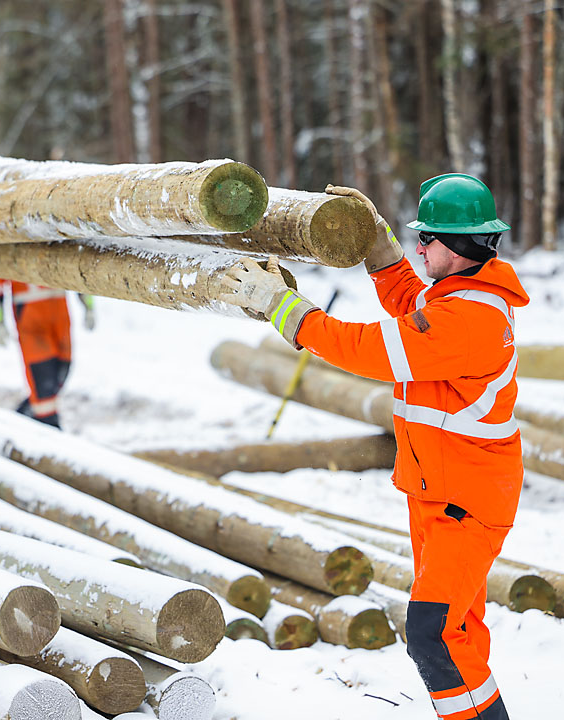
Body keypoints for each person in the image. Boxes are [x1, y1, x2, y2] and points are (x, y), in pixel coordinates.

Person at [218, 173, 528, 720]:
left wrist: (282, 308)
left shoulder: (471, 319)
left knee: (432, 634)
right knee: (457, 632)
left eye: (426, 239)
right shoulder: (460, 297)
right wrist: (380, 253)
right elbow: (415, 308)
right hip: (442, 493)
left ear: (456, 247)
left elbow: (368, 349)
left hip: (467, 504)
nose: (420, 246)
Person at [0, 278, 95, 429]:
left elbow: (76, 271)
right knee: (43, 383)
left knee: (60, 373)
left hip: (59, 316)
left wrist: (88, 304)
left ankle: (16, 425)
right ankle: (49, 437)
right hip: (30, 318)